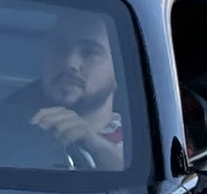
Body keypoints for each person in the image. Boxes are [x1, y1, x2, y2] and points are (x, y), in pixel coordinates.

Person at [19, 11, 127, 169]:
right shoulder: (7, 128)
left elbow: (147, 182)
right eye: (59, 48)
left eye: (89, 52)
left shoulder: (146, 145)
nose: (70, 63)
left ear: (120, 69)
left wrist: (92, 142)